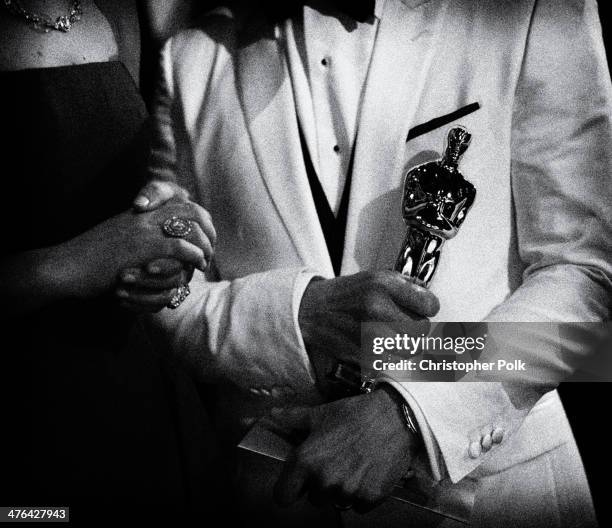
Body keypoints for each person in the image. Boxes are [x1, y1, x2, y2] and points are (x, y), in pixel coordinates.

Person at [135, 0, 612, 526]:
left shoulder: (533, 11)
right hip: (280, 496)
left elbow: (588, 283)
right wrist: (295, 315)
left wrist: (412, 414)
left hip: (501, 498)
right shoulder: (188, 58)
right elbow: (160, 296)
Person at [0, 1, 220, 522]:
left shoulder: (123, 12)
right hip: (22, 424)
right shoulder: (179, 35)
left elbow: (137, 194)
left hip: (142, 402)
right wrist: (80, 261)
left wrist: (166, 242)